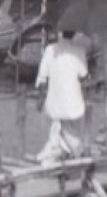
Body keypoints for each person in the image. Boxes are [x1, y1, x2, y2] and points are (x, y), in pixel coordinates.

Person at [35, 30, 89, 164]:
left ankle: (62, 150)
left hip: (54, 107)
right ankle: (71, 150)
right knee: (72, 131)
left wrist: (40, 99)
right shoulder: (79, 51)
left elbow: (42, 79)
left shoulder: (50, 50)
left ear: (60, 33)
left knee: (56, 126)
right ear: (75, 34)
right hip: (74, 107)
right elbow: (84, 76)